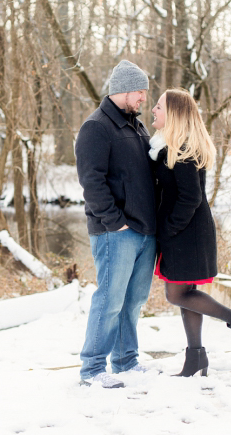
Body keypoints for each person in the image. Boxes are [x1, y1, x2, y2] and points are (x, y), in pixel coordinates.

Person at [149, 89, 231, 377]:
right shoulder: (170, 146)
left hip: (186, 234)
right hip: (183, 233)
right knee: (185, 294)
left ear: (173, 114)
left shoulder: (184, 150)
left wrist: (168, 228)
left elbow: (191, 198)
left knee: (177, 295)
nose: (153, 109)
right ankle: (196, 358)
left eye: (159, 106)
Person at [75, 60, 157, 389]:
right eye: (139, 92)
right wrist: (115, 222)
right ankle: (93, 369)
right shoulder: (97, 127)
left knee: (134, 301)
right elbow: (91, 181)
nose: (143, 99)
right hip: (117, 232)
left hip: (145, 232)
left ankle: (125, 361)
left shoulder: (136, 126)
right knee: (109, 300)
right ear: (122, 90)